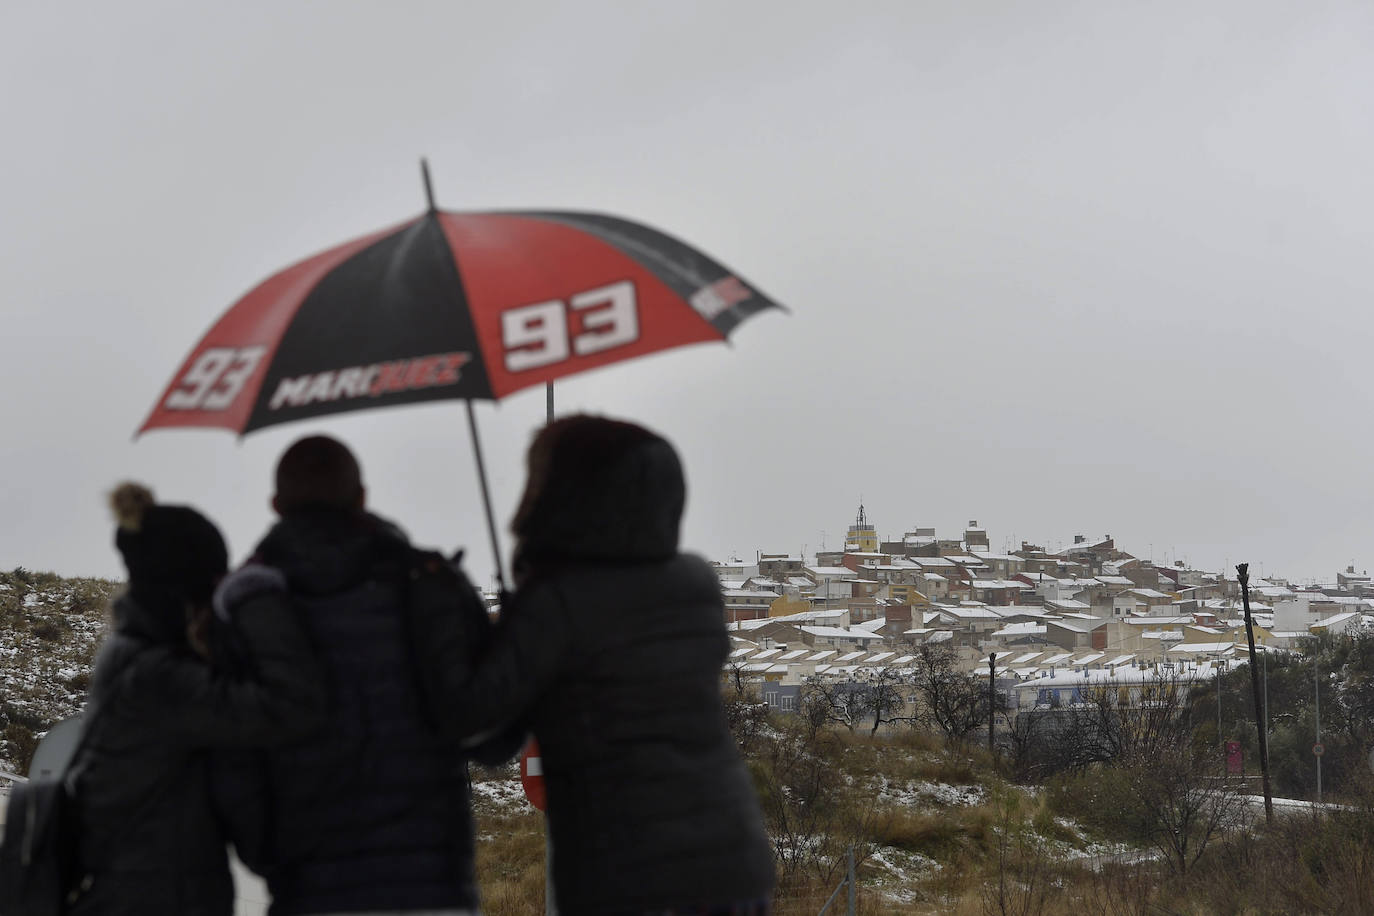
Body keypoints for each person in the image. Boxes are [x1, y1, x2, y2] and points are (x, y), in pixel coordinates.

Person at [418, 415, 776, 915]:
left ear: (567, 495)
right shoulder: (694, 584)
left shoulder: (556, 602)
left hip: (627, 875)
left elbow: (482, 726)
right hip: (732, 862)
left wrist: (453, 604)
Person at [213, 434, 508, 916]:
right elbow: (493, 740)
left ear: (276, 505)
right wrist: (507, 646)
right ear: (363, 498)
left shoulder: (247, 609)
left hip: (311, 892)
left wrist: (274, 861)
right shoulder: (434, 584)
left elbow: (233, 769)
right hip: (434, 893)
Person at [67, 483, 326, 916]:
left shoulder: (137, 655)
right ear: (189, 594)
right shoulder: (160, 678)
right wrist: (257, 602)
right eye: (214, 586)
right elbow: (288, 705)